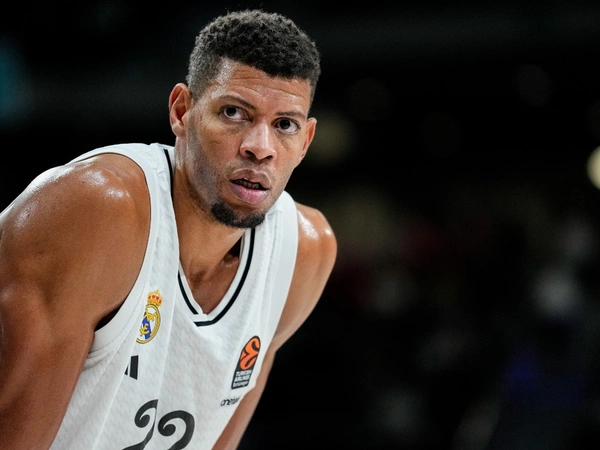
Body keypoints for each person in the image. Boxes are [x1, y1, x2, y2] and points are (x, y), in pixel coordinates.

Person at [0, 9, 337, 450]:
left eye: (285, 125)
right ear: (182, 111)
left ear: (306, 141)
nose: (260, 148)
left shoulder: (303, 252)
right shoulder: (95, 211)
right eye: (234, 112)